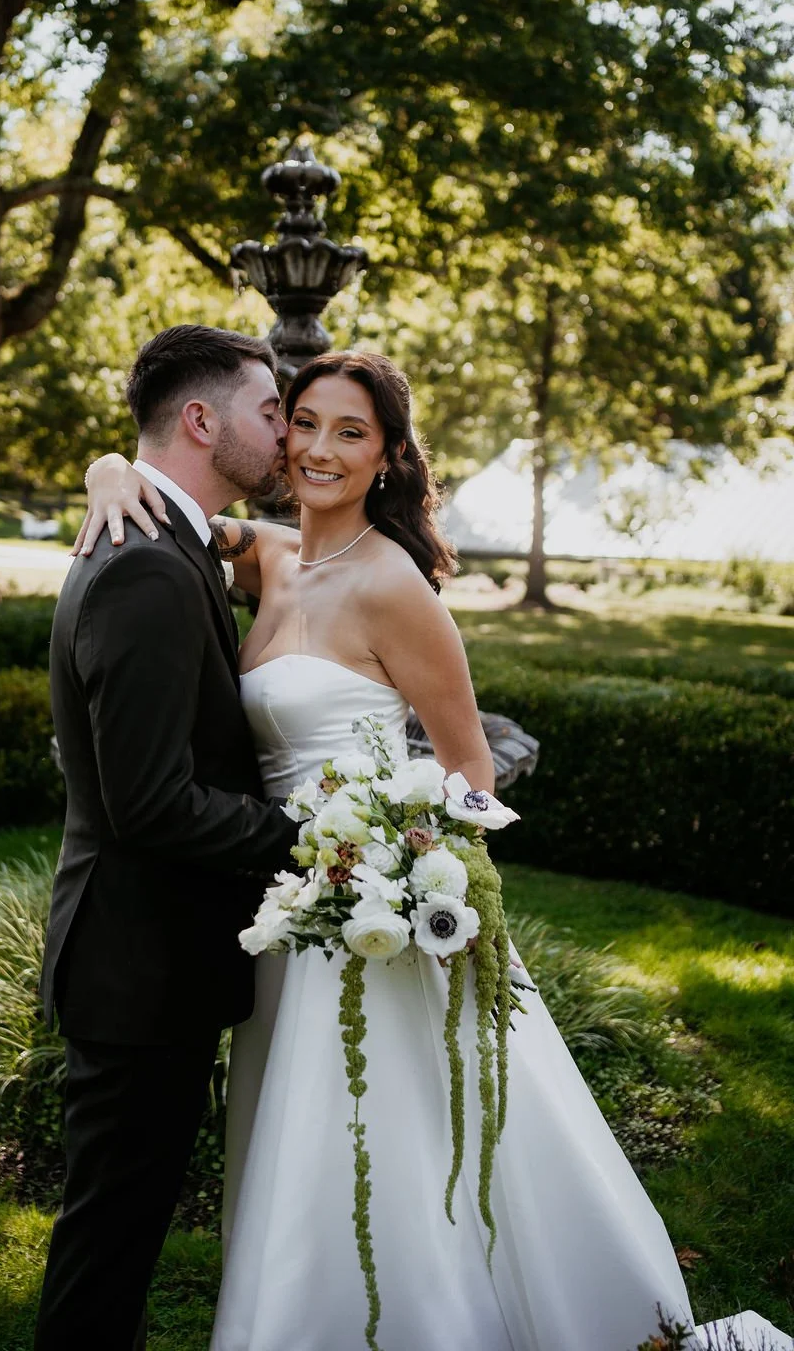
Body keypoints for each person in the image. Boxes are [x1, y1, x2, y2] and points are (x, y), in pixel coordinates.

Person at [77, 348, 694, 1351]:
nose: (318, 446)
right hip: (283, 914)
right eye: (304, 421)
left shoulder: (394, 585)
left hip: (375, 916)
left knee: (389, 1143)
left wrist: (401, 868)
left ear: (387, 458)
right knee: (297, 1148)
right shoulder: (271, 555)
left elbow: (471, 780)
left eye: (349, 432)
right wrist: (108, 468)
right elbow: (164, 495)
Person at [33, 324, 300, 1351]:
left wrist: (105, 464)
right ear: (202, 420)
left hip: (146, 958)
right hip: (135, 966)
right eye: (269, 410)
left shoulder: (170, 535)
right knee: (108, 1250)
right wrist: (304, 841)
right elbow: (149, 800)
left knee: (117, 1236)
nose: (281, 434)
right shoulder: (146, 563)